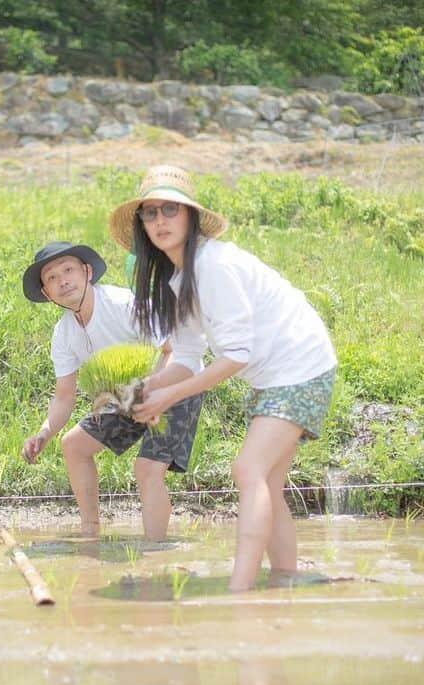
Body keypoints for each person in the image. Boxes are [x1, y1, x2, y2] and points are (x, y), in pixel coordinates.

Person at [108, 165, 337, 592]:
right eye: (151, 212)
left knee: (248, 469)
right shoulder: (178, 278)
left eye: (170, 210)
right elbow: (188, 355)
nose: (160, 221)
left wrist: (167, 397)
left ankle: (239, 591)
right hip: (276, 375)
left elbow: (235, 355)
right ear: (141, 225)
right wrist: (137, 391)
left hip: (301, 366)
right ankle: (284, 577)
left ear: (191, 216)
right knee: (266, 478)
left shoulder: (212, 265)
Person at [20, 240, 204, 541]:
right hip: (128, 395)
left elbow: (173, 350)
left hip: (177, 383)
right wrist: (43, 432)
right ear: (46, 293)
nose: (62, 280)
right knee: (74, 445)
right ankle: (90, 534)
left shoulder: (123, 305)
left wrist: (153, 393)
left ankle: (154, 551)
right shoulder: (64, 333)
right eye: (51, 278)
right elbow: (65, 396)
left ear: (87, 272)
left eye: (68, 270)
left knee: (147, 469)